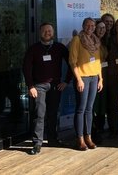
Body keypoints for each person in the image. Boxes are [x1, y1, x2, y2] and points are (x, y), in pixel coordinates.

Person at [23, 23, 72, 155]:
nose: (47, 33)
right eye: (44, 31)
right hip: (39, 86)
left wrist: (66, 81)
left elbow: (72, 63)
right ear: (40, 33)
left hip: (56, 86)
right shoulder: (33, 49)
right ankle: (37, 143)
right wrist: (30, 86)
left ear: (53, 33)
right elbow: (26, 68)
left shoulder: (59, 47)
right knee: (39, 114)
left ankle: (52, 139)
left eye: (49, 31)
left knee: (53, 113)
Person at [69, 17, 103, 150]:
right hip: (82, 78)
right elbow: (72, 61)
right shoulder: (77, 39)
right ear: (83, 26)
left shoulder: (96, 41)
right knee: (81, 109)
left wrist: (101, 79)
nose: (91, 27)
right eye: (88, 25)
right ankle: (80, 139)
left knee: (89, 109)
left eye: (93, 25)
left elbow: (98, 61)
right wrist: (78, 79)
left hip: (94, 78)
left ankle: (89, 137)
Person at [92, 20, 109, 144]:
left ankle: (100, 128)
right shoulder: (90, 42)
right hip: (94, 75)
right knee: (94, 103)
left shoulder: (106, 41)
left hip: (105, 74)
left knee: (103, 102)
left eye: (104, 28)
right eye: (99, 28)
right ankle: (93, 130)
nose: (102, 30)